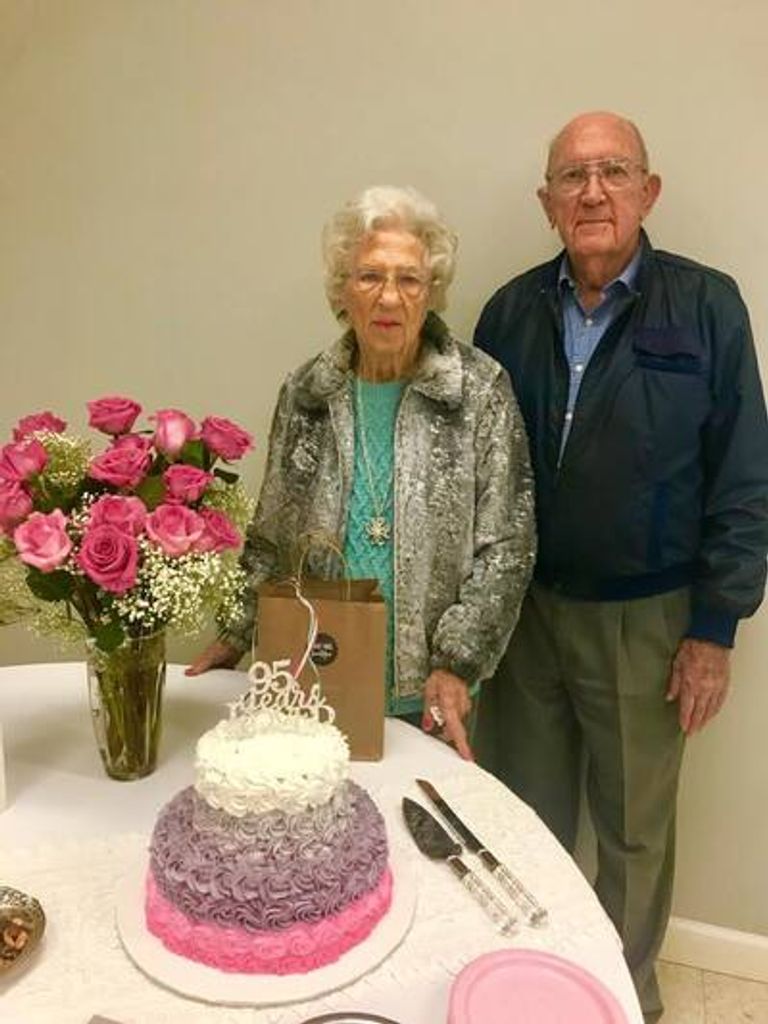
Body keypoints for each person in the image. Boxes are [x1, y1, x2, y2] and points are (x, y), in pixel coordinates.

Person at [474, 111, 768, 1021]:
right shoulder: (509, 312)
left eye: (614, 171)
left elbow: (744, 477)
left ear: (649, 190)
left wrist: (714, 629)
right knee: (524, 816)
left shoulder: (707, 305)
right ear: (547, 202)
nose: (593, 192)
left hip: (650, 623)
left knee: (635, 834)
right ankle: (528, 986)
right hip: (525, 618)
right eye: (573, 176)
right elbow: (475, 473)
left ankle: (621, 999)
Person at [188, 185, 535, 760]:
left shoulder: (478, 392)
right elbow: (270, 536)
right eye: (370, 276)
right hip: (317, 672)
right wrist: (235, 632)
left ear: (432, 292)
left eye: (409, 279)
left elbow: (508, 546)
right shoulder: (308, 394)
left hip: (431, 688)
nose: (389, 297)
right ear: (342, 290)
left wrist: (458, 662)